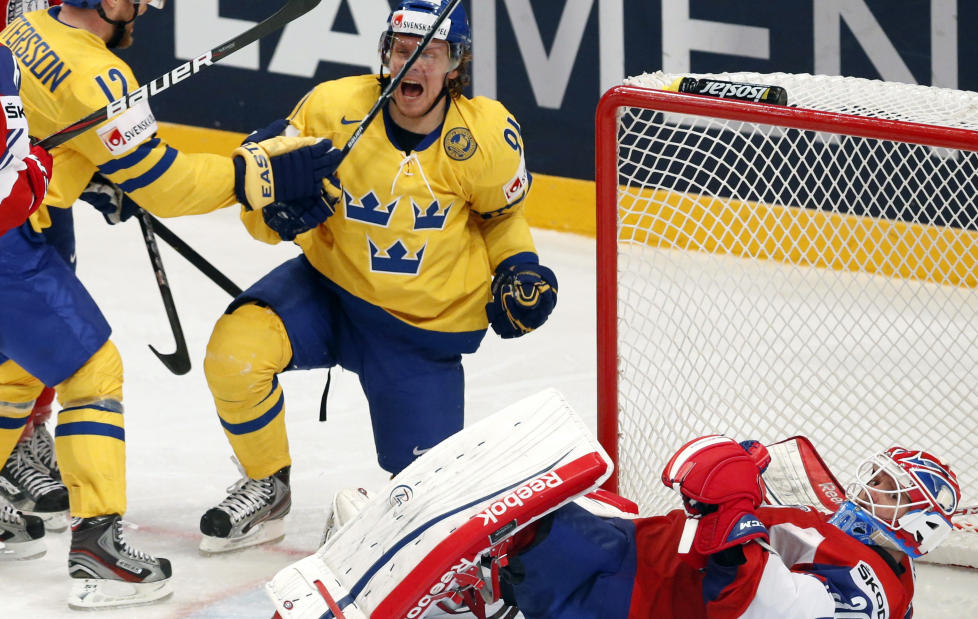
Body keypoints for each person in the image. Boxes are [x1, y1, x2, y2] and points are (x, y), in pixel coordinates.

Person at [0, 0, 333, 608]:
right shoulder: (99, 78)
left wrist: (92, 171)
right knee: (91, 370)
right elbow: (166, 183)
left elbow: (33, 124)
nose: (144, 11)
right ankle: (97, 548)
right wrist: (252, 175)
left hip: (23, 215)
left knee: (23, 365)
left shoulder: (24, 23)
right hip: (7, 239)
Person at [198, 0, 559, 554]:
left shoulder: (485, 135)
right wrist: (271, 215)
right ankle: (267, 485)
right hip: (328, 292)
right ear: (384, 53)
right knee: (234, 354)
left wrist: (517, 268)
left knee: (426, 505)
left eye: (429, 52)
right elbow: (258, 170)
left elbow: (502, 216)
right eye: (400, 49)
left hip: (420, 329)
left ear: (455, 64)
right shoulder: (332, 106)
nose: (411, 63)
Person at [494, 437, 960, 618]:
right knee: (532, 512)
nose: (864, 488)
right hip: (656, 556)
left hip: (648, 589)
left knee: (521, 532)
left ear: (918, 527)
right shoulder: (873, 558)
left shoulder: (869, 584)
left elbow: (774, 608)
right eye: (874, 476)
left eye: (888, 489)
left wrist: (734, 511)